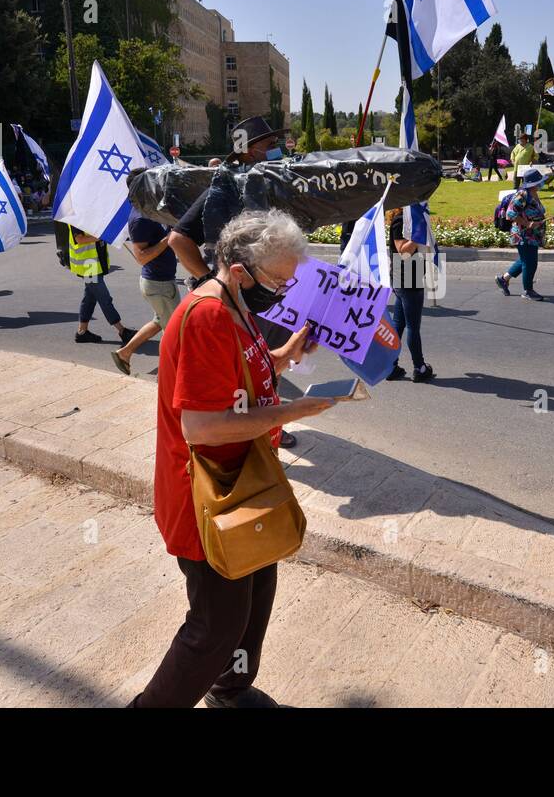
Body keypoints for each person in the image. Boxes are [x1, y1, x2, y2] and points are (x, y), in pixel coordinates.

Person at [131, 210, 334, 708]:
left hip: (245, 484)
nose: (287, 291)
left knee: (255, 597)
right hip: (208, 497)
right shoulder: (207, 315)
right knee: (214, 627)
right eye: (280, 281)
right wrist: (293, 411)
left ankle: (230, 690)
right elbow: (201, 427)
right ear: (240, 270)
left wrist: (286, 353)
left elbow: (243, 376)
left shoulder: (235, 303)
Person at [170, 115, 301, 448]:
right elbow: (178, 239)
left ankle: (268, 423)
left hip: (274, 296)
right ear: (247, 149)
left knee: (269, 363)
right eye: (268, 145)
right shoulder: (224, 185)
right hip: (240, 304)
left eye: (275, 145)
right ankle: (244, 431)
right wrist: (207, 280)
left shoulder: (272, 183)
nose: (275, 150)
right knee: (241, 371)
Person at [112, 173, 181, 376]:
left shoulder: (151, 210)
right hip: (157, 284)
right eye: (151, 182)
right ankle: (168, 377)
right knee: (175, 332)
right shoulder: (139, 218)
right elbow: (141, 257)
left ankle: (125, 353)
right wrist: (168, 238)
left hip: (163, 282)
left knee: (160, 322)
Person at [386, 206, 434, 382]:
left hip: (405, 277)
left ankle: (390, 365)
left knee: (399, 324)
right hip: (408, 279)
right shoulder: (400, 220)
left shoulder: (409, 219)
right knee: (413, 327)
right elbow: (403, 251)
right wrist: (418, 235)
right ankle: (419, 367)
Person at [66, 224, 135, 346]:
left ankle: (82, 332)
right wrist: (101, 236)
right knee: (104, 298)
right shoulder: (77, 218)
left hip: (94, 263)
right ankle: (122, 330)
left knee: (90, 299)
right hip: (89, 265)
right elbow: (79, 239)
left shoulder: (91, 216)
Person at [495, 167, 548, 301]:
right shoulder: (523, 195)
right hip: (523, 234)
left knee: (525, 261)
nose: (542, 184)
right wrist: (528, 224)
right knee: (530, 263)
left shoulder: (533, 193)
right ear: (533, 183)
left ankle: (503, 279)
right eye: (539, 182)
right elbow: (510, 214)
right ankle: (528, 291)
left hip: (532, 234)